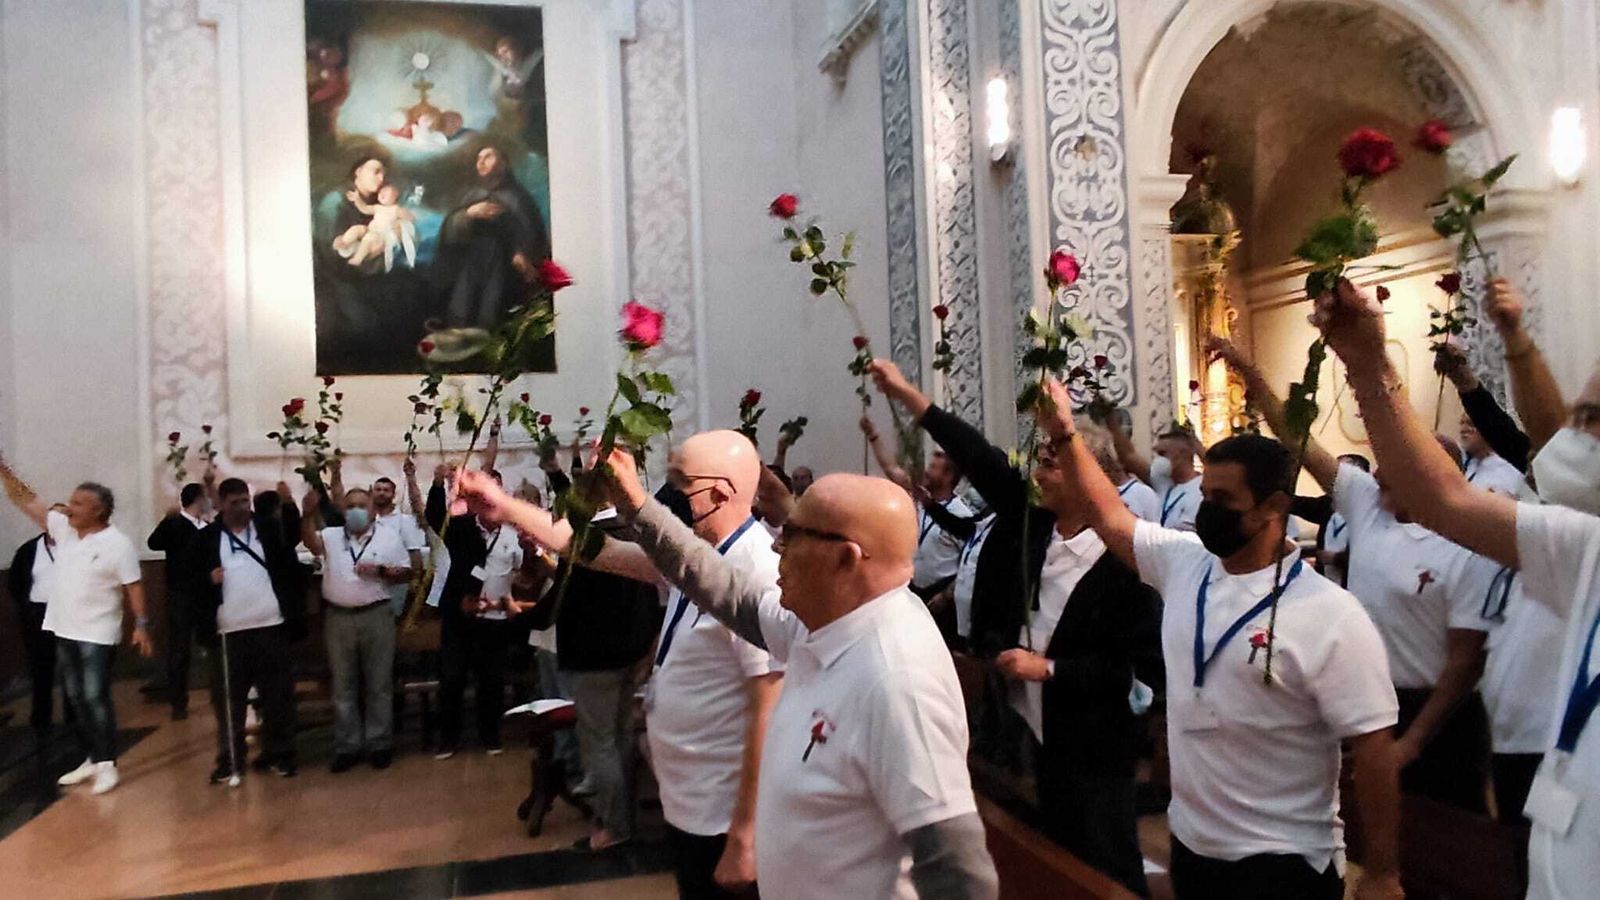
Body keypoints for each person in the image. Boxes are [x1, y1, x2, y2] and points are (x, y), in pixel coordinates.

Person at [467, 449, 1000, 900]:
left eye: (793, 535)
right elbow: (718, 584)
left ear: (846, 559)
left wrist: (742, 834)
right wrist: (634, 503)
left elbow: (957, 869)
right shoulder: (824, 620)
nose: (775, 546)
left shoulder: (895, 678)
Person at [1034, 378, 1401, 899]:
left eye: (1223, 498)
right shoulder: (1185, 563)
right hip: (1193, 843)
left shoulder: (1331, 614)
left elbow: (1373, 748)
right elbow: (1109, 514)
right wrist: (1066, 433)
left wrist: (1383, 870)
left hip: (1282, 858)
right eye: (1205, 494)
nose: (1207, 509)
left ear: (1272, 507)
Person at [1312, 277, 1600, 898]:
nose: (1577, 439)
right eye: (1582, 417)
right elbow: (1441, 499)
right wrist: (1367, 366)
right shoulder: (1590, 550)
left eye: (1594, 421)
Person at [869, 359, 1162, 895]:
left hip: (1095, 737)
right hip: (1041, 730)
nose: (1037, 472)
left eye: (1050, 462)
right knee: (1060, 852)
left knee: (1105, 858)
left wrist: (1048, 668)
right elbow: (976, 456)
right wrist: (908, 395)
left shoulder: (1128, 560)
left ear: (1084, 474)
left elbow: (1132, 670)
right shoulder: (1038, 526)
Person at [460, 432, 787, 896]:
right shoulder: (697, 558)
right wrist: (505, 508)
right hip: (690, 798)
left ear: (721, 493)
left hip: (722, 809)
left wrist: (746, 834)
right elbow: (596, 551)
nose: (666, 498)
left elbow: (767, 709)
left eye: (679, 483)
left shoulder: (755, 570)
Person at [1214, 337, 1497, 813]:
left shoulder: (1464, 539)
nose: (1380, 471)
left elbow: (1465, 661)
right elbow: (1298, 441)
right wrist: (1252, 375)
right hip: (1372, 698)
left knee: (1450, 851)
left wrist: (1414, 741)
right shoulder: (1368, 505)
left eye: (1395, 462)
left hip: (1440, 714)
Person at [1, 461, 153, 795]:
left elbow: (135, 587)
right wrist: (5, 471)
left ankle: (107, 764)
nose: (70, 507)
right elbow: (28, 501)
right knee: (75, 697)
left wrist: (141, 624)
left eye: (79, 503)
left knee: (95, 696)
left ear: (99, 511)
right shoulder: (64, 530)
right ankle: (91, 757)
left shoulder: (118, 544)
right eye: (70, 501)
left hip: (97, 633)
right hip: (63, 628)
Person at [186, 478, 306, 781]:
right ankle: (230, 759)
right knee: (229, 700)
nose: (242, 507)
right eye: (236, 502)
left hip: (270, 626)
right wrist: (206, 580)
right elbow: (187, 585)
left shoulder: (267, 529)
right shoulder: (207, 539)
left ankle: (280, 753)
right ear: (222, 503)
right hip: (228, 632)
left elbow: (289, 558)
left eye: (245, 501)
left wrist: (290, 502)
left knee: (277, 696)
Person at [304, 487, 412, 771]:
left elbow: (407, 572)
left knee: (379, 685)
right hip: (338, 618)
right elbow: (312, 545)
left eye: (361, 506)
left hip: (376, 615)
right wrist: (307, 515)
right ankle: (347, 746)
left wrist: (382, 572)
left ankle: (379, 743)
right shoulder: (331, 535)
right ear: (343, 510)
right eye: (350, 506)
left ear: (373, 510)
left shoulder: (389, 537)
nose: (355, 511)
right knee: (343, 686)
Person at [428, 469, 520, 758]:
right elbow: (434, 517)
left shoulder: (512, 533)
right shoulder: (462, 528)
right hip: (460, 616)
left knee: (491, 679)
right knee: (452, 677)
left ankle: (490, 734)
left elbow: (522, 570)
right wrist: (437, 484)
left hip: (494, 619)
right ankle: (449, 737)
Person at [434, 146, 551, 330]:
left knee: (492, 314)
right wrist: (468, 214)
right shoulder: (470, 195)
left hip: (502, 267)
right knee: (460, 312)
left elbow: (529, 231)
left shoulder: (518, 197)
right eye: (478, 157)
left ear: (503, 164)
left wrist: (521, 253)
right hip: (469, 263)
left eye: (487, 156)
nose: (480, 161)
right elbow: (448, 230)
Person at [147, 482, 210, 720]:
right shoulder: (174, 524)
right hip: (180, 595)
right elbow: (153, 543)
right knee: (180, 650)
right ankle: (178, 701)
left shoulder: (206, 527)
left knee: (210, 644)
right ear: (199, 499)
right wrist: (166, 519)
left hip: (204, 595)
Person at [7, 504, 68, 733]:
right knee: (41, 667)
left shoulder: (77, 549)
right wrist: (26, 608)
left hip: (69, 614)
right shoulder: (29, 550)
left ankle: (74, 717)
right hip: (38, 615)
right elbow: (16, 583)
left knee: (70, 667)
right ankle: (41, 718)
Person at [1112, 420, 1204, 531]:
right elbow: (1128, 456)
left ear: (1183, 452)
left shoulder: (1201, 490)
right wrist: (1111, 421)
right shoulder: (1164, 482)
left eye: (1163, 453)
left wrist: (1196, 445)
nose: (1159, 459)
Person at [373, 469, 428, 617]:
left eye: (386, 490)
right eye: (378, 489)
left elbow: (414, 552)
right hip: (371, 583)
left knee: (390, 623)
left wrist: (416, 579)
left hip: (397, 582)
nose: (381, 493)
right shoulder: (368, 520)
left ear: (393, 494)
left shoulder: (404, 521)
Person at [1460, 414, 1526, 496]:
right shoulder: (1464, 463)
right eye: (1461, 423)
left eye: (1471, 424)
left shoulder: (1513, 469)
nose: (1463, 429)